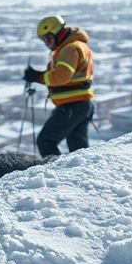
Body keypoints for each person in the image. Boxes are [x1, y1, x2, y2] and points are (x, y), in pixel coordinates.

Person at [24, 15, 95, 157]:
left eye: (48, 38)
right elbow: (64, 75)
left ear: (58, 33)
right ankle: (80, 173)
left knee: (46, 141)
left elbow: (61, 76)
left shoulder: (69, 49)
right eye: (44, 40)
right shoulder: (75, 46)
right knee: (78, 147)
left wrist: (37, 77)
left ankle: (56, 175)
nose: (47, 43)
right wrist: (40, 75)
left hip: (73, 106)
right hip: (81, 104)